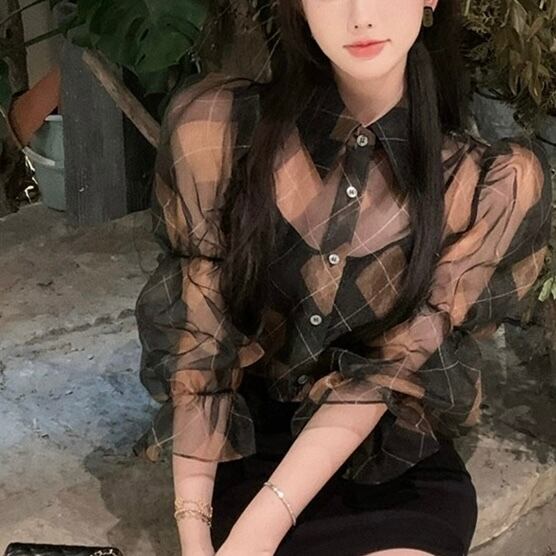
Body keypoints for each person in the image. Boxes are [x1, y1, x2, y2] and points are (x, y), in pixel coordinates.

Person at [133, 1, 553, 555]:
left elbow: (392, 370)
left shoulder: (488, 185)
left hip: (386, 463)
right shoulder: (214, 128)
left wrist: (260, 530)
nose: (361, 15)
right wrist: (194, 528)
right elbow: (199, 345)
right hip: (244, 447)